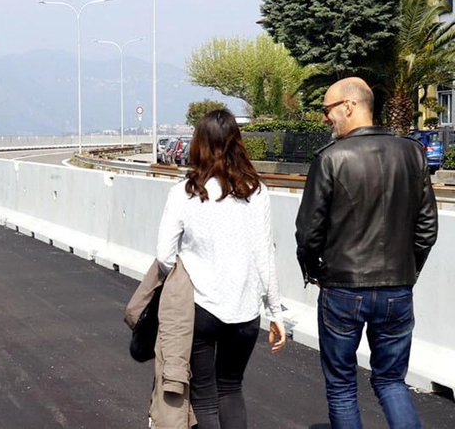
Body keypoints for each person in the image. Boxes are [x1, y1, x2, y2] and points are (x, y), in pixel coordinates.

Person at [296, 77, 439, 429]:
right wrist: (408, 270)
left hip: (342, 288)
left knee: (342, 386)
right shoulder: (411, 153)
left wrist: (314, 270)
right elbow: (427, 228)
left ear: (349, 106)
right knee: (391, 381)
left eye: (327, 109)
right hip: (397, 290)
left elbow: (309, 232)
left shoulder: (330, 158)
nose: (325, 118)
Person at [156, 108, 287, 429]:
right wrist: (276, 313)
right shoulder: (256, 191)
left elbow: (164, 255)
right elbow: (264, 256)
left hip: (201, 309)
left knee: (204, 396)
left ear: (198, 143)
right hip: (245, 311)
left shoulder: (184, 193)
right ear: (237, 144)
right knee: (231, 388)